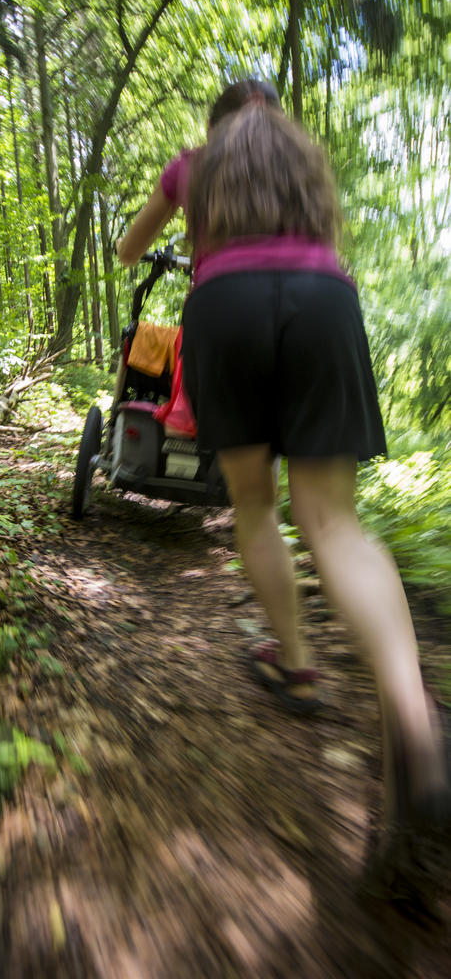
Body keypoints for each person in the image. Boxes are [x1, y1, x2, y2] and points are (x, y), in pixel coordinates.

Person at [116, 79, 449, 830]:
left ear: (218, 126)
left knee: (254, 504)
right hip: (322, 299)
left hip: (222, 308)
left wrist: (152, 240)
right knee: (333, 523)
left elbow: (130, 247)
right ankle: (410, 709)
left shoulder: (193, 166)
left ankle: (295, 664)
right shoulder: (301, 158)